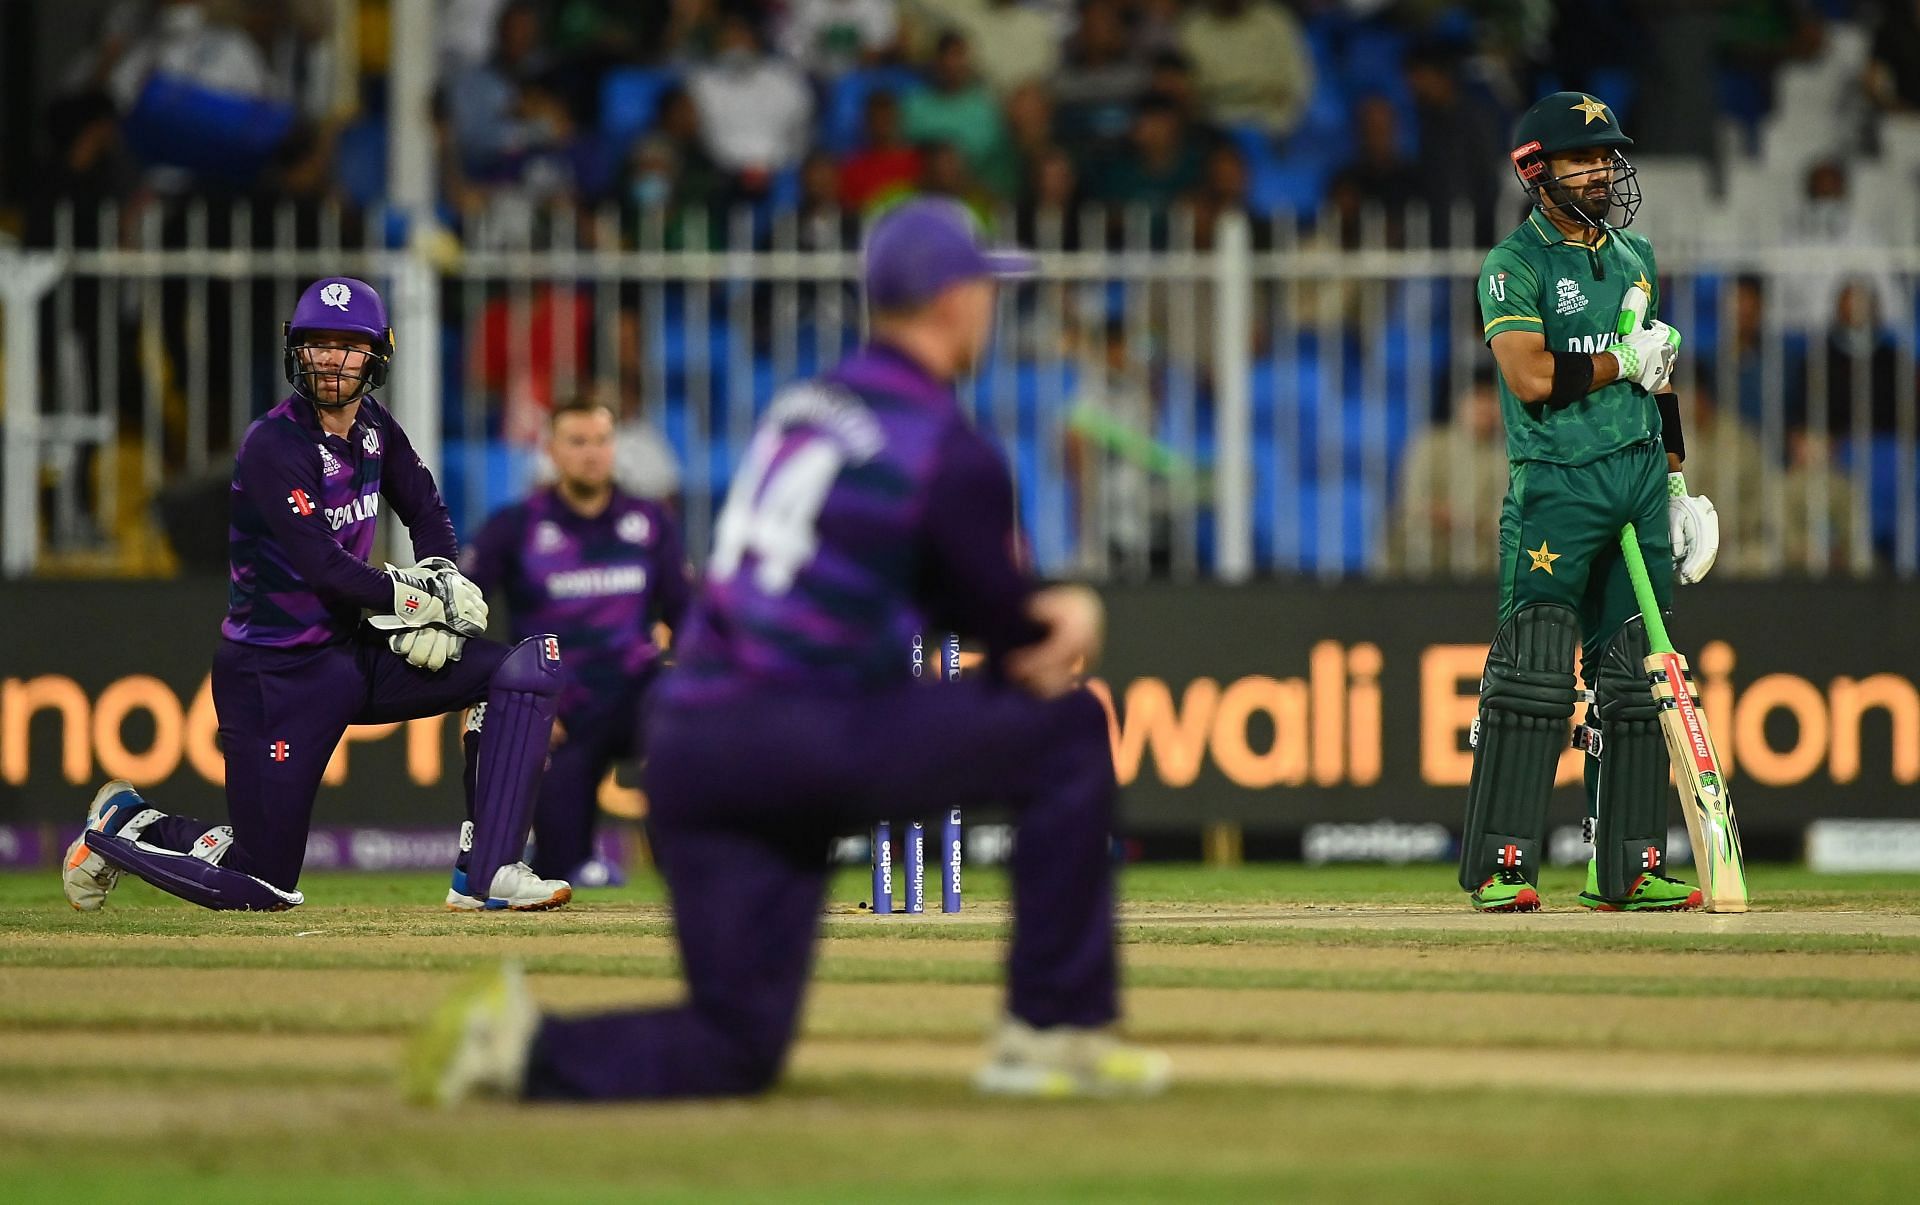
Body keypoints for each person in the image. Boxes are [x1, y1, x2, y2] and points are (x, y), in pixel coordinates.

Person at [409, 198, 1169, 1104]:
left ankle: (520, 1049)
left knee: (737, 1044)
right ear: (953, 301)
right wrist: (1068, 615)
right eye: (984, 290)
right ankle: (1051, 1029)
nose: (991, 311)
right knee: (1071, 727)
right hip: (803, 735)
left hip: (691, 744)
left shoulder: (805, 406)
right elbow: (1012, 642)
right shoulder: (946, 445)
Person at [61, 278, 571, 914]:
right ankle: (120, 830)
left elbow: (425, 507)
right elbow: (323, 568)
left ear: (378, 354)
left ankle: (488, 871)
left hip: (349, 653)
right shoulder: (274, 445)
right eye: (319, 345)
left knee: (525, 668)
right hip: (274, 676)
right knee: (262, 883)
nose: (332, 360)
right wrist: (420, 602)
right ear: (296, 352)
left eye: (349, 346)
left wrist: (440, 568)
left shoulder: (376, 429)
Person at [1461, 93, 1717, 914]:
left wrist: (1675, 482)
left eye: (1607, 156)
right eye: (1583, 158)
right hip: (1559, 486)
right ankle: (1502, 862)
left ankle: (1631, 867)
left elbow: (1658, 381)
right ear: (1538, 171)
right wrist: (1621, 359)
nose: (1603, 170)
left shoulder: (1636, 254)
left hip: (1638, 483)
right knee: (1534, 674)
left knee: (1637, 681)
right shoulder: (1515, 263)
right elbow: (1533, 377)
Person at [461, 397, 691, 886]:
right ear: (552, 450)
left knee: (677, 716)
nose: (592, 453)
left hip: (636, 688)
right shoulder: (515, 527)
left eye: (602, 441)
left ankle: (692, 872)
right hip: (560, 707)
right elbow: (465, 608)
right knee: (560, 869)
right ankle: (568, 860)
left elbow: (687, 615)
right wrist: (501, 691)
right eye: (578, 441)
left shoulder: (650, 522)